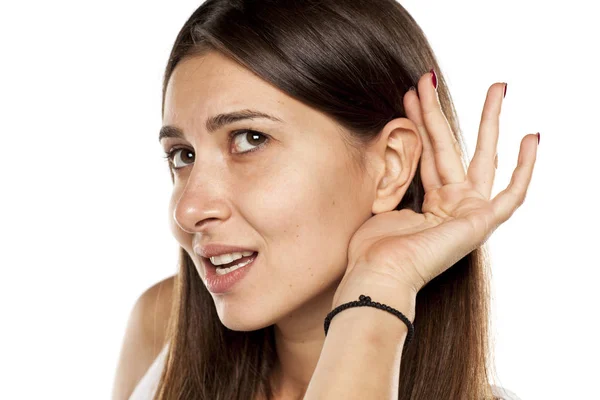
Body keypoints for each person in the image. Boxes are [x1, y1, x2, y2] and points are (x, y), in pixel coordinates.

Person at [112, 0, 537, 399]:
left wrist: (382, 285)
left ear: (390, 165)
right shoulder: (159, 326)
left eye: (250, 139)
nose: (188, 210)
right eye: (182, 155)